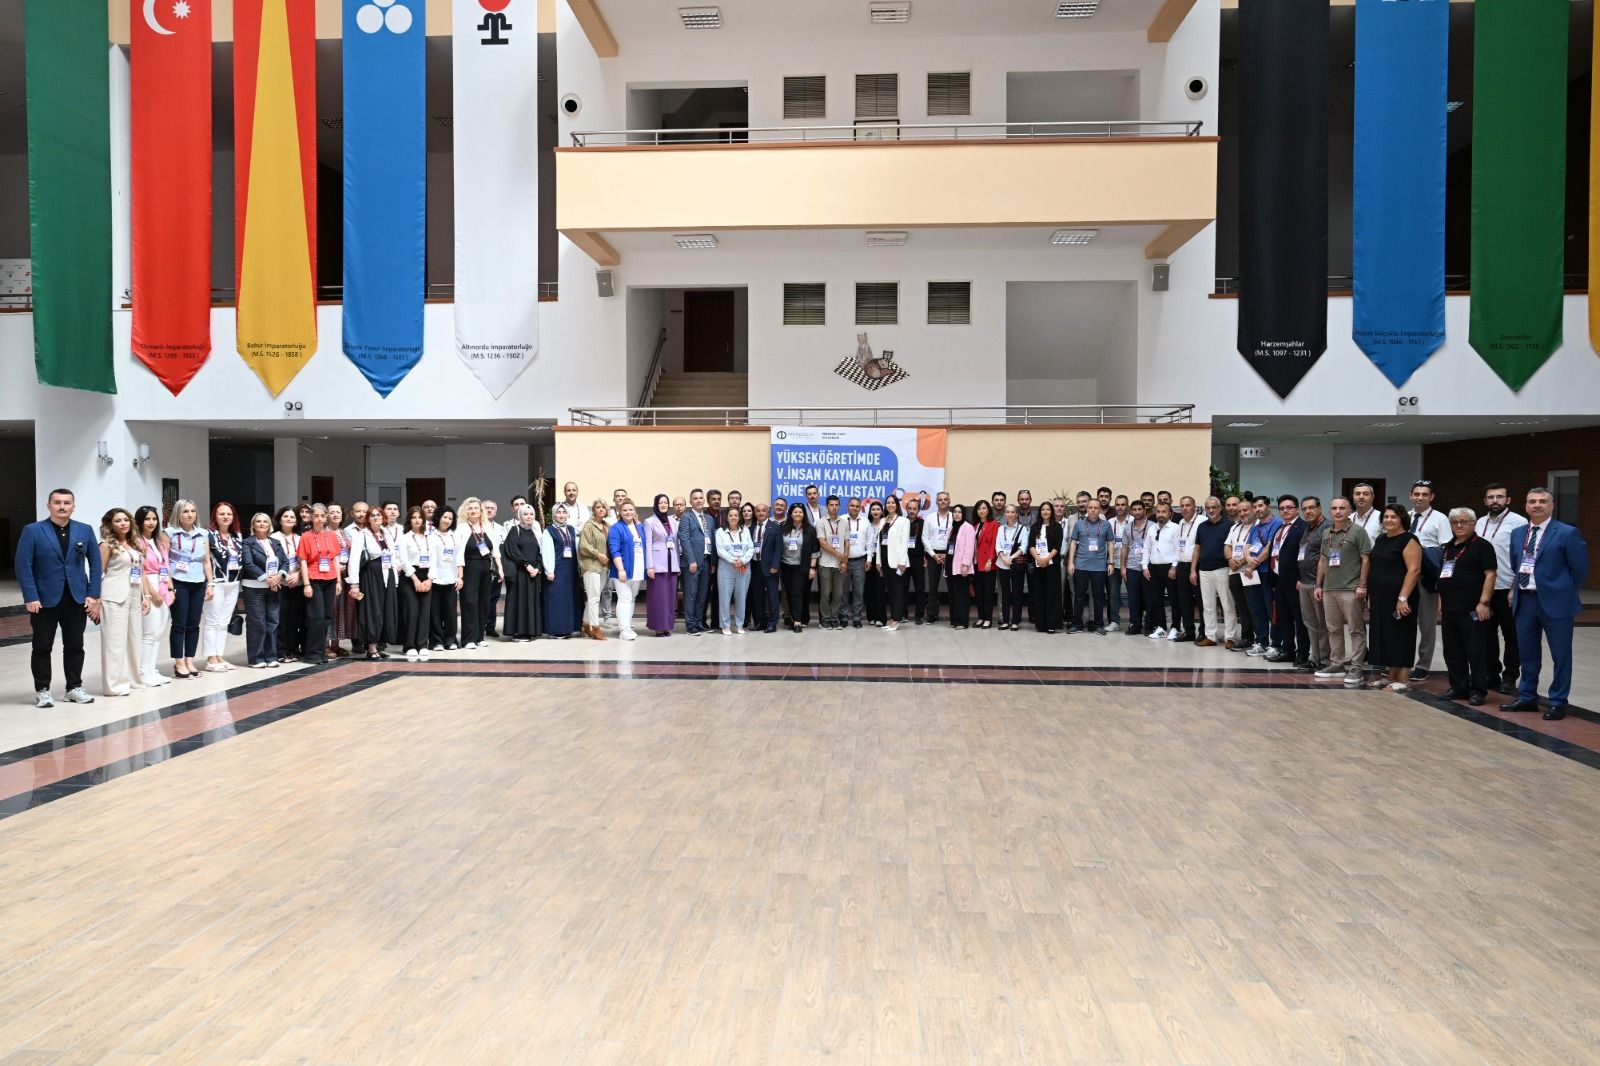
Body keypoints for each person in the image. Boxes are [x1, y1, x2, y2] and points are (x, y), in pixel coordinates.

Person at [1502, 487, 1589, 720]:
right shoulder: (1518, 533)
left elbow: (1580, 569)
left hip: (1556, 602)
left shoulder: (1567, 533)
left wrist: (1563, 590)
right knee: (1527, 653)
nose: (1537, 505)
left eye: (1542, 501)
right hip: (1525, 601)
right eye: (1532, 501)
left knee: (1561, 655)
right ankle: (1527, 697)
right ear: (1526, 506)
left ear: (1551, 506)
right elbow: (1516, 564)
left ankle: (1558, 701)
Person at [16, 489, 102, 707]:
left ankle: (74, 688)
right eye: (57, 502)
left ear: (73, 506)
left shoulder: (84, 529)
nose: (62, 506)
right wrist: (30, 595)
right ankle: (42, 690)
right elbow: (23, 565)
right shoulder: (33, 531)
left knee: (75, 645)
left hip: (76, 597)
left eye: (67, 502)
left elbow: (95, 563)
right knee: (42, 646)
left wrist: (93, 594)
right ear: (49, 506)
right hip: (44, 599)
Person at [1435, 507, 1498, 705]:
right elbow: (1443, 576)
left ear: (1473, 524)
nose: (1459, 525)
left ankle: (1478, 690)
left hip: (1473, 608)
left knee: (1476, 651)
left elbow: (1491, 574)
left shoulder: (1482, 546)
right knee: (1452, 650)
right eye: (1455, 522)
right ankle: (1458, 686)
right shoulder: (1448, 547)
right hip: (1450, 608)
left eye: (1464, 522)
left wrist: (1484, 602)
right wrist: (1441, 601)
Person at [1313, 497, 1372, 687]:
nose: (1338, 511)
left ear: (1349, 511)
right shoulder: (1327, 533)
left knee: (1356, 629)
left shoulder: (1358, 531)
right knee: (1333, 629)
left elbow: (1366, 559)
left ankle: (1356, 667)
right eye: (1334, 508)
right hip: (1329, 589)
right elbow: (1322, 561)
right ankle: (1337, 664)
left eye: (1342, 508)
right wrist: (1318, 585)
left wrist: (1362, 585)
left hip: (1350, 589)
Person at [1474, 483, 1527, 694]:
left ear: (1508, 500)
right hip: (1484, 588)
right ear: (1485, 501)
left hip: (1507, 587)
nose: (1495, 501)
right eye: (1491, 497)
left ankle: (1510, 676)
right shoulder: (1479, 522)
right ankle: (1491, 674)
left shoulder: (1519, 523)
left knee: (1511, 634)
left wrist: (1516, 587)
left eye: (1499, 497)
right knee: (1486, 634)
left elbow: (1524, 557)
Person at [1366, 505, 1423, 693]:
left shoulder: (1409, 540)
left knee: (1401, 635)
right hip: (1381, 596)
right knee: (1387, 635)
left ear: (1402, 519)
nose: (1389, 520)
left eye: (1394, 517)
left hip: (1401, 596)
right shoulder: (1382, 539)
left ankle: (1404, 679)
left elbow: (1414, 570)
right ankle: (1392, 676)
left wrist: (1403, 597)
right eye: (1386, 517)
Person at [96, 508, 144, 697]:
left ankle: (133, 680)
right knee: (114, 643)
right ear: (110, 524)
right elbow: (98, 573)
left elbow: (139, 572)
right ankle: (114, 685)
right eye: (118, 520)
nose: (123, 523)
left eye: (126, 520)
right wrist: (96, 599)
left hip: (134, 595)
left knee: (134, 640)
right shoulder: (106, 544)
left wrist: (145, 596)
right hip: (114, 596)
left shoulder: (133, 544)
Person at [1407, 480, 1451, 682]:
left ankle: (1423, 665)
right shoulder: (1405, 516)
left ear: (1431, 497)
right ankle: (1402, 661)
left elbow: (1445, 549)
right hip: (1406, 574)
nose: (1420, 498)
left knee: (1426, 624)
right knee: (1403, 620)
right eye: (1416, 494)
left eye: (1424, 494)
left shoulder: (1440, 519)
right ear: (1411, 495)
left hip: (1426, 575)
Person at [165, 499, 213, 679]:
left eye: (193, 511)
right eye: (185, 511)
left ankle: (189, 660)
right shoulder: (169, 533)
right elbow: (164, 561)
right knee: (179, 624)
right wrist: (169, 586)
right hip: (178, 581)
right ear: (178, 514)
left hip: (198, 581)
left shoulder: (203, 533)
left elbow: (206, 561)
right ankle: (179, 663)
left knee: (194, 624)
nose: (190, 514)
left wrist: (210, 584)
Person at [347, 507, 398, 660]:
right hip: (370, 576)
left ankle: (380, 645)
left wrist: (395, 579)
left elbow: (393, 557)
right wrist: (354, 584)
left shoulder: (386, 533)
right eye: (372, 515)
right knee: (372, 611)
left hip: (387, 574)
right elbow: (354, 560)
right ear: (368, 519)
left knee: (386, 610)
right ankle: (371, 648)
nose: (376, 517)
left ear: (383, 517)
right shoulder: (362, 535)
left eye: (379, 515)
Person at [297, 503, 344, 664]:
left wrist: (338, 581)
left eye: (322, 516)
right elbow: (303, 561)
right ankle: (312, 653)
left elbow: (335, 559)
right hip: (314, 580)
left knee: (326, 617)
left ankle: (321, 652)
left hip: (330, 579)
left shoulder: (331, 536)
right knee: (316, 617)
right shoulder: (306, 536)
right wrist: (306, 584)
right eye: (316, 516)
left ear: (326, 517)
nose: (319, 519)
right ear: (311, 517)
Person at [240, 511, 288, 669]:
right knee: (257, 623)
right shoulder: (247, 542)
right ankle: (256, 658)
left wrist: (279, 576)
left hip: (274, 587)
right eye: (258, 521)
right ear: (253, 525)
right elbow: (249, 564)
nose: (262, 524)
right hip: (254, 588)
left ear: (269, 525)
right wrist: (268, 578)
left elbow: (285, 562)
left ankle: (271, 656)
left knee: (273, 623)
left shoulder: (276, 542)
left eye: (265, 521)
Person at [132, 506, 173, 687]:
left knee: (158, 633)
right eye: (147, 519)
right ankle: (142, 672)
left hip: (163, 585)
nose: (151, 522)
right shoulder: (136, 542)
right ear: (139, 521)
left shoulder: (159, 542)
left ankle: (151, 669)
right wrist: (152, 593)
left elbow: (166, 566)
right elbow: (141, 571)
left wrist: (170, 589)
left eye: (154, 519)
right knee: (149, 633)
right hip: (149, 586)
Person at [200, 502, 243, 673]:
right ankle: (210, 658)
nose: (226, 517)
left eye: (229, 514)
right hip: (216, 583)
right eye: (221, 514)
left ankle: (219, 655)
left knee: (224, 622)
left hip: (233, 584)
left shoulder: (236, 536)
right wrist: (209, 583)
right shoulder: (208, 535)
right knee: (212, 621)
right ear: (215, 517)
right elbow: (206, 561)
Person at [458, 497, 500, 649]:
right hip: (469, 567)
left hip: (485, 567)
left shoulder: (486, 527)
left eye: (476, 508)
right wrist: (460, 575)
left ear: (481, 511)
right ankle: (468, 639)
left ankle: (479, 637)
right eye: (470, 508)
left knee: (484, 603)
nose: (473, 510)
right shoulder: (462, 528)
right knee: (469, 602)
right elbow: (458, 553)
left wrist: (500, 568)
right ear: (465, 511)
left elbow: (495, 549)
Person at [397, 506, 439, 660]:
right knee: (412, 611)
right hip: (410, 577)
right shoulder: (404, 538)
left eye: (419, 517)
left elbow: (435, 560)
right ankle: (409, 645)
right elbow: (404, 561)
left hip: (426, 575)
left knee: (424, 612)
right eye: (414, 517)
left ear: (424, 520)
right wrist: (415, 579)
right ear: (409, 520)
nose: (417, 520)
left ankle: (422, 644)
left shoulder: (430, 537)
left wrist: (430, 579)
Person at [1194, 497, 1235, 648]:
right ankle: (1210, 636)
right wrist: (1193, 569)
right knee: (1208, 605)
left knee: (1227, 604)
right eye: (1208, 508)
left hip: (1223, 569)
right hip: (1204, 570)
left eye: (1214, 507)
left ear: (1220, 508)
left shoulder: (1230, 525)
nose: (1211, 510)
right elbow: (1197, 549)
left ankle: (1230, 637)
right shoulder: (1202, 526)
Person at [501, 505, 545, 642]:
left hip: (533, 574)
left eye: (531, 514)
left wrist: (537, 567)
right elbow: (512, 550)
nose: (529, 517)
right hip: (519, 573)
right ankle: (518, 632)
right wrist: (526, 565)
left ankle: (530, 631)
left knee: (531, 601)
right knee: (519, 601)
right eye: (525, 514)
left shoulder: (535, 532)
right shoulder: (515, 530)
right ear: (520, 516)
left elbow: (540, 552)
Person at [636, 494, 677, 637]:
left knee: (670, 597)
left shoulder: (672, 520)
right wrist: (650, 566)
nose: (663, 505)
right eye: (661, 502)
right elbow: (647, 544)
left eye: (666, 502)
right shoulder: (649, 521)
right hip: (657, 564)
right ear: (656, 505)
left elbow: (676, 542)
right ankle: (658, 626)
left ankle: (667, 625)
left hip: (672, 563)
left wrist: (677, 565)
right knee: (658, 598)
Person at [1067, 499, 1111, 634]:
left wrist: (1110, 562)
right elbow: (1073, 543)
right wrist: (1071, 562)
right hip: (1081, 566)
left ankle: (1098, 625)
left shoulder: (1106, 525)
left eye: (1096, 508)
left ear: (1100, 510)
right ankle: (1077, 624)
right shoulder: (1079, 524)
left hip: (1099, 567)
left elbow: (1110, 543)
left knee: (1098, 597)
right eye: (1090, 507)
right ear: (1087, 509)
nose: (1093, 510)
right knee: (1079, 596)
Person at [541, 503, 583, 639]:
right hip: (556, 571)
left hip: (571, 571)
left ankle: (568, 628)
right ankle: (555, 630)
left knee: (569, 600)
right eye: (558, 512)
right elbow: (546, 552)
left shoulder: (571, 529)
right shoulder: (549, 531)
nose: (561, 515)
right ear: (554, 515)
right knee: (556, 600)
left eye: (564, 512)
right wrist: (549, 570)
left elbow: (576, 549)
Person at [606, 500, 647, 641]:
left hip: (637, 569)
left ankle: (628, 626)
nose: (628, 512)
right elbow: (614, 550)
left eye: (630, 509)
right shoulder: (616, 528)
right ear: (620, 512)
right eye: (625, 510)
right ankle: (623, 630)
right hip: (622, 570)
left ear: (634, 511)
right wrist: (621, 569)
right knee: (624, 598)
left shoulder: (640, 527)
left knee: (632, 598)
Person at [676, 489, 715, 636]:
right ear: (691, 501)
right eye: (695, 498)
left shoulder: (709, 519)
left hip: (706, 560)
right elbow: (684, 539)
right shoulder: (686, 517)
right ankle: (690, 625)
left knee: (703, 594)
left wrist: (713, 562)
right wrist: (691, 560)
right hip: (692, 563)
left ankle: (699, 622)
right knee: (691, 594)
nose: (699, 500)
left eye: (701, 498)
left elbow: (712, 540)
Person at [1141, 501, 1179, 640]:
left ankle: (1175, 627)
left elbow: (1178, 549)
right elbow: (1146, 548)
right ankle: (1161, 627)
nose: (1161, 514)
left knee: (1174, 600)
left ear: (1170, 513)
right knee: (1156, 600)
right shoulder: (1152, 529)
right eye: (1158, 511)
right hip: (1154, 568)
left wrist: (1174, 566)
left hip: (1170, 568)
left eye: (1164, 511)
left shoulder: (1175, 528)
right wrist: (1145, 567)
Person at [779, 503, 820, 632]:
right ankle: (793, 618)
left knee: (797, 593)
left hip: (802, 567)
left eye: (800, 512)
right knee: (789, 593)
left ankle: (797, 621)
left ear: (804, 515)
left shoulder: (809, 529)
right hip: (785, 566)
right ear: (790, 514)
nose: (798, 514)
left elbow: (815, 549)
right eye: (795, 512)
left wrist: (812, 568)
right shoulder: (783, 528)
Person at [271, 506, 304, 664]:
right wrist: (284, 575)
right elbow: (271, 560)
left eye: (292, 517)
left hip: (298, 583)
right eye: (285, 516)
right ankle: (281, 651)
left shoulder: (300, 538)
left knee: (295, 620)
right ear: (280, 519)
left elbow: (305, 560)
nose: (289, 519)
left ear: (296, 521)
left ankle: (293, 649)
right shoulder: (273, 537)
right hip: (281, 583)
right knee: (282, 619)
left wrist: (298, 575)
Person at [715, 506, 754, 635]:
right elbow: (720, 550)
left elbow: (751, 548)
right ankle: (725, 625)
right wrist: (733, 560)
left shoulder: (745, 530)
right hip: (726, 568)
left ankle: (739, 625)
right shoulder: (720, 532)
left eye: (736, 515)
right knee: (724, 597)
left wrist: (742, 560)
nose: (733, 517)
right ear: (727, 517)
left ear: (739, 517)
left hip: (744, 567)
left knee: (741, 597)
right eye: (731, 515)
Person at [430, 507, 463, 651]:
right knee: (435, 611)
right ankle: (437, 641)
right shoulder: (430, 535)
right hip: (434, 578)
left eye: (450, 518)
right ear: (438, 517)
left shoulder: (455, 536)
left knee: (451, 612)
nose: (447, 520)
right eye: (444, 517)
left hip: (451, 578)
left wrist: (460, 577)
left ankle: (450, 640)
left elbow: (459, 557)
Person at [579, 501, 611, 640]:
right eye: (598, 507)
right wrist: (598, 555)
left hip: (604, 566)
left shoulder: (607, 526)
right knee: (594, 598)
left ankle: (586, 625)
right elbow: (583, 546)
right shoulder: (589, 526)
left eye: (603, 507)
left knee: (595, 597)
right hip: (591, 565)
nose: (601, 509)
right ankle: (595, 628)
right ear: (594, 510)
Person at [1029, 501, 1063, 633]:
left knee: (1052, 594)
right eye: (1043, 509)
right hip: (1038, 565)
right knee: (1039, 593)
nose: (1045, 512)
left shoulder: (1057, 527)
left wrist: (1047, 559)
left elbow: (1057, 546)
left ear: (1051, 511)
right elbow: (1031, 545)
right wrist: (1038, 559)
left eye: (1048, 509)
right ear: (1040, 512)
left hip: (1052, 565)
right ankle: (1041, 624)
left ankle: (1051, 624)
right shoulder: (1035, 527)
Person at [994, 504, 1029, 631]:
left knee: (1017, 593)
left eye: (1012, 512)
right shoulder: (1000, 529)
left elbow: (1024, 546)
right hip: (1002, 564)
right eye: (1007, 512)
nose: (1010, 514)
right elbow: (998, 545)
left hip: (1016, 564)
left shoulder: (1023, 529)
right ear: (1005, 514)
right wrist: (1003, 558)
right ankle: (1005, 621)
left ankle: (1015, 621)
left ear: (1016, 514)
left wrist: (1011, 558)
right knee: (1005, 593)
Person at [922, 491, 955, 624]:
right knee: (932, 587)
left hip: (950, 555)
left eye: (945, 499)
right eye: (940, 499)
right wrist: (933, 555)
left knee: (952, 587)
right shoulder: (929, 518)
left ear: (949, 501)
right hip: (933, 555)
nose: (942, 501)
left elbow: (957, 537)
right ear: (936, 502)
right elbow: (924, 538)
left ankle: (954, 616)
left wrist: (948, 554)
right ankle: (931, 615)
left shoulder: (954, 516)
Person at [1172, 496, 1201, 642]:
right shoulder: (1181, 523)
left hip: (1196, 566)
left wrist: (1193, 569)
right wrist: (1175, 565)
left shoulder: (1202, 521)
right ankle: (1189, 631)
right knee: (1184, 601)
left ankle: (1203, 632)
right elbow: (1177, 546)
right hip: (1182, 566)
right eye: (1182, 505)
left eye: (1188, 505)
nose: (1185, 508)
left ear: (1194, 506)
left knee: (1201, 601)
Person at [1118, 501, 1149, 636]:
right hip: (1131, 567)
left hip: (1147, 567)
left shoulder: (1152, 526)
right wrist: (1123, 567)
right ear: (1131, 511)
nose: (1137, 512)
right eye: (1134, 509)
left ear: (1144, 510)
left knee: (1148, 598)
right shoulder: (1127, 528)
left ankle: (1149, 624)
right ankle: (1135, 624)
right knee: (1133, 598)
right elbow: (1124, 548)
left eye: (1139, 509)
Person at [757, 500, 786, 633]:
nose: (761, 513)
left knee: (773, 596)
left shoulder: (775, 526)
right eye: (758, 511)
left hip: (770, 567)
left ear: (768, 512)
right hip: (755, 566)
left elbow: (779, 548)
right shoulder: (752, 527)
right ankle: (761, 622)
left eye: (764, 510)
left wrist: (775, 565)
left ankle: (773, 623)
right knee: (758, 595)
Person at [842, 497, 871, 629]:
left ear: (860, 508)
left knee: (858, 592)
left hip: (860, 561)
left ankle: (857, 618)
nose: (854, 508)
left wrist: (869, 559)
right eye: (852, 506)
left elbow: (869, 542)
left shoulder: (865, 522)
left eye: (857, 506)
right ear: (847, 506)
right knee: (842, 591)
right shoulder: (841, 519)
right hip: (844, 561)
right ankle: (843, 617)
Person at [1106, 496, 1132, 631]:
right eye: (1118, 504)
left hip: (1130, 564)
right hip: (1114, 563)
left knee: (1133, 594)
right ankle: (1114, 621)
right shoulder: (1110, 522)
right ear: (1114, 506)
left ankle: (1134, 621)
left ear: (1127, 506)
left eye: (1123, 504)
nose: (1120, 507)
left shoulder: (1133, 521)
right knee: (1113, 594)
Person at [947, 504, 975, 629]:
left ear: (963, 514)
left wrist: (965, 565)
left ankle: (962, 622)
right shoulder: (952, 527)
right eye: (955, 512)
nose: (957, 514)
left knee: (961, 596)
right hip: (951, 565)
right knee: (953, 595)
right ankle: (954, 620)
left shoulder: (968, 527)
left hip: (961, 567)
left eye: (959, 512)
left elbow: (969, 548)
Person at [972, 500, 998, 629]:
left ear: (988, 510)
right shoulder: (975, 526)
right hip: (976, 563)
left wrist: (990, 560)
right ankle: (980, 617)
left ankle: (988, 619)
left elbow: (994, 544)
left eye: (984, 508)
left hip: (988, 564)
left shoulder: (994, 524)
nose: (981, 511)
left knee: (988, 593)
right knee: (979, 593)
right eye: (979, 509)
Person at [903, 495, 926, 623]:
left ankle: (919, 616)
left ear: (918, 510)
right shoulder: (902, 522)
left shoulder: (923, 524)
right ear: (906, 509)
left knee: (920, 589)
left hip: (918, 560)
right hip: (904, 559)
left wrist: (926, 557)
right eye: (910, 508)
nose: (912, 511)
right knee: (903, 588)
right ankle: (903, 614)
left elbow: (927, 542)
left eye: (914, 509)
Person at [864, 501, 887, 626]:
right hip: (868, 558)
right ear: (870, 511)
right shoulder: (866, 524)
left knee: (880, 588)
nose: (876, 511)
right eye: (873, 509)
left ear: (882, 511)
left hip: (881, 559)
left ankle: (880, 618)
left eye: (878, 509)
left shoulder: (886, 524)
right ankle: (871, 617)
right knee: (869, 588)